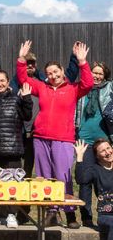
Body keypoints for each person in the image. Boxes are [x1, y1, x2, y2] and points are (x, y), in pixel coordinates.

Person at [17, 40, 94, 227]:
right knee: (44, 176)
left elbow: (88, 83)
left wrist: (82, 62)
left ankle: (70, 214)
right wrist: (21, 60)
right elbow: (24, 80)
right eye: (49, 73)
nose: (53, 75)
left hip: (63, 139)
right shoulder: (42, 88)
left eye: (55, 72)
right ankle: (51, 213)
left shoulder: (73, 89)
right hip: (41, 138)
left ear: (62, 71)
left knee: (63, 176)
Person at [0, 72, 33, 228]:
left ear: (7, 82)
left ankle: (12, 214)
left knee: (12, 185)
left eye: (2, 81)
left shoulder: (16, 100)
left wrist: (26, 99)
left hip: (12, 149)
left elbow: (27, 116)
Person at [74, 62, 111, 228]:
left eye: (100, 74)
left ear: (105, 76)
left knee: (105, 180)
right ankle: (86, 216)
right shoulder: (82, 88)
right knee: (85, 180)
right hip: (85, 140)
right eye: (93, 73)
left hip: (104, 141)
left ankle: (107, 213)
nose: (96, 76)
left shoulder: (109, 89)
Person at [74, 139, 113, 240]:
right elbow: (81, 179)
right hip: (106, 215)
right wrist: (79, 158)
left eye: (109, 148)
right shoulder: (95, 170)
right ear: (97, 156)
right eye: (103, 151)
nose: (108, 152)